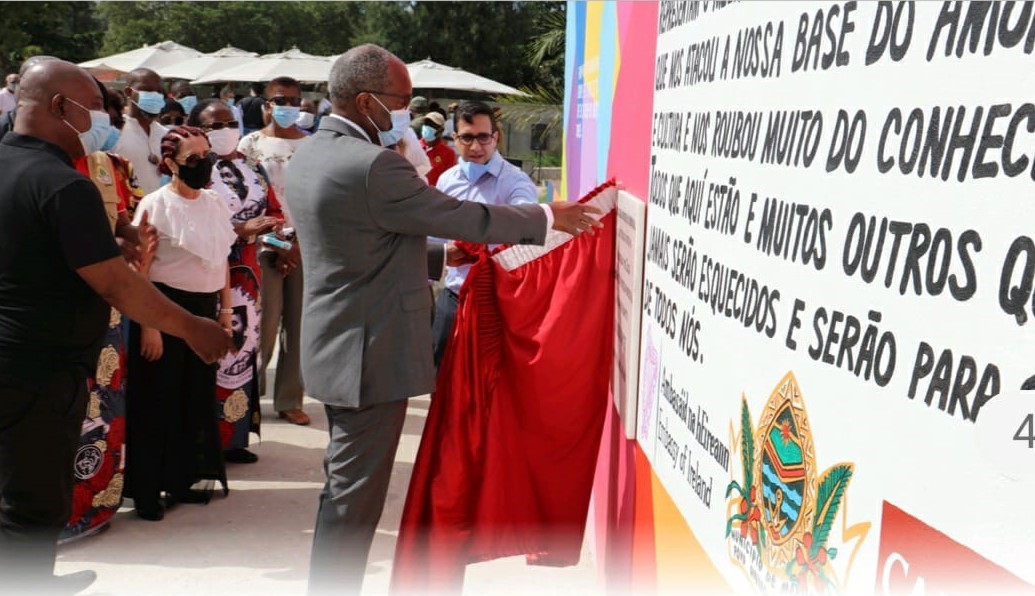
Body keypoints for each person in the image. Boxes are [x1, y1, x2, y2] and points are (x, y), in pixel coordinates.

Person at [284, 43, 601, 596]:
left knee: (346, 488)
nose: (407, 110)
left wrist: (436, 258)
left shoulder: (312, 153)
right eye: (401, 101)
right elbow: (456, 214)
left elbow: (355, 240)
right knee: (352, 499)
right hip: (368, 353)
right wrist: (549, 215)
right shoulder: (374, 164)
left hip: (337, 343)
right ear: (366, 102)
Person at [0, 58, 233, 594]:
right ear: (61, 107)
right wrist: (193, 329)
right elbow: (117, 286)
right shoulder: (64, 184)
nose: (101, 124)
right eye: (97, 110)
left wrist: (113, 240)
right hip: (38, 371)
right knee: (34, 504)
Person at [124, 126, 239, 522]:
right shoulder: (154, 205)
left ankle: (181, 478)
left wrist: (225, 314)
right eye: (193, 158)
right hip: (165, 309)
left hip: (206, 310)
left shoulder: (215, 202)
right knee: (159, 398)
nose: (203, 163)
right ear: (170, 163)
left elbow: (221, 259)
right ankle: (148, 489)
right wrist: (150, 326)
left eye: (207, 155)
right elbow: (141, 270)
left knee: (195, 395)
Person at [189, 98, 285, 463]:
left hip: (250, 274)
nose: (226, 130)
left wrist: (280, 244)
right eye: (215, 125)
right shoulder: (194, 168)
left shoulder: (254, 167)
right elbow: (191, 220)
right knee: (212, 349)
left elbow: (273, 215)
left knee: (243, 350)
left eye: (231, 122)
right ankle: (204, 440)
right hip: (210, 275)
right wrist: (242, 230)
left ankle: (235, 435)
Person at [429, 101, 538, 369]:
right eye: (467, 137)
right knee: (441, 382)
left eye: (483, 137)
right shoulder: (446, 181)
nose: (476, 147)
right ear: (454, 138)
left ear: (496, 137)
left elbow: (526, 222)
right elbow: (436, 239)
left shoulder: (515, 181)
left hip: (497, 303)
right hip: (453, 299)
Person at [237, 76, 310, 427]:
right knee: (263, 325)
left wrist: (295, 244)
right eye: (281, 100)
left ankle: (289, 398)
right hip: (264, 244)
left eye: (294, 100)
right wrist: (279, 243)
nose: (288, 107)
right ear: (267, 105)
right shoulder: (250, 145)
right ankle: (250, 396)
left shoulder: (312, 146)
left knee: (298, 326)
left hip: (304, 246)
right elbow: (245, 197)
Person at [113, 68, 168, 194]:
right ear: (128, 92)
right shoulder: (115, 132)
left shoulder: (167, 135)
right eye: (147, 90)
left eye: (159, 91)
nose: (154, 95)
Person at [419, 111, 455, 187]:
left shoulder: (448, 153)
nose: (427, 127)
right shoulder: (414, 145)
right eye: (426, 124)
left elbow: (448, 180)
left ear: (440, 130)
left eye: (432, 125)